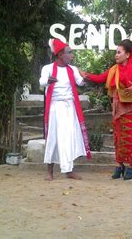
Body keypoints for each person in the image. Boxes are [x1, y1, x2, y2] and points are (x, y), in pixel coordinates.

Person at [81, 39, 132, 180]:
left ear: (128, 55)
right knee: (118, 137)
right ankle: (120, 165)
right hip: (118, 108)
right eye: (116, 52)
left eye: (119, 52)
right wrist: (85, 75)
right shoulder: (114, 70)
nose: (116, 55)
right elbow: (100, 78)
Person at [39, 38, 91, 181]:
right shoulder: (48, 68)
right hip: (55, 108)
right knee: (53, 138)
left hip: (70, 108)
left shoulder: (72, 69)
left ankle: (69, 170)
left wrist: (86, 78)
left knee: (69, 138)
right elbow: (41, 81)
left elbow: (80, 82)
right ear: (60, 54)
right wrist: (48, 81)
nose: (72, 55)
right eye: (69, 53)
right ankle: (49, 172)